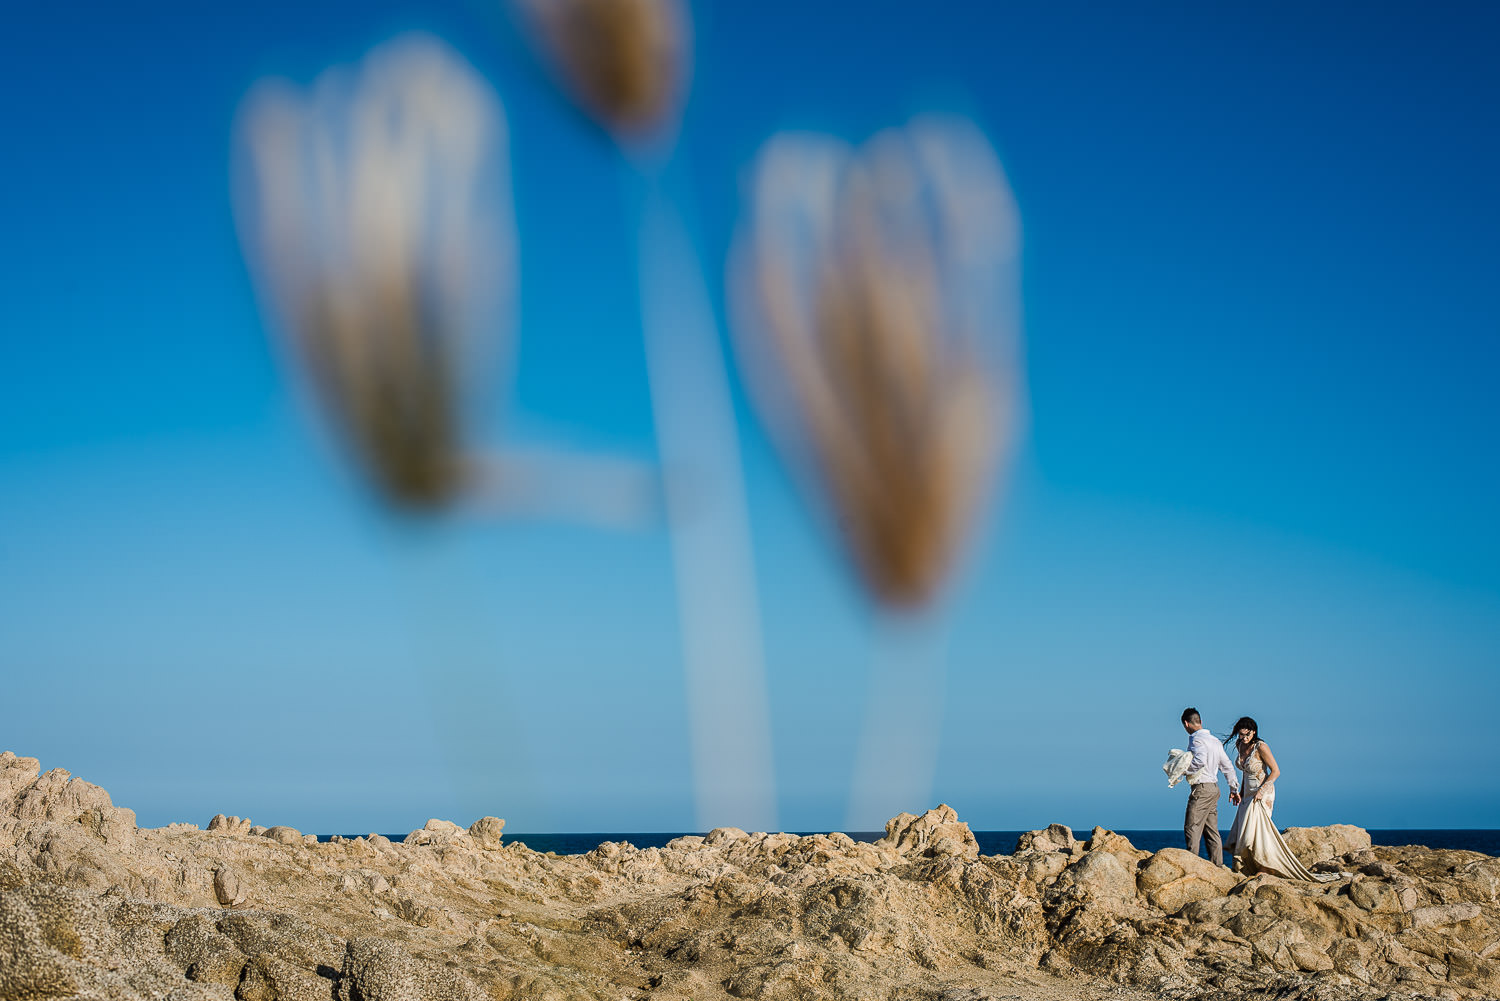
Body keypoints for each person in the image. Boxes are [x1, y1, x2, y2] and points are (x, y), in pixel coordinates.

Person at [1222, 716, 1338, 881]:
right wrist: (1240, 791)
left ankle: (1265, 868)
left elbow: (1276, 771)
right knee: (1246, 832)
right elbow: (1245, 773)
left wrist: (1262, 791)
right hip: (1248, 793)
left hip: (1263, 792)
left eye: (1247, 734)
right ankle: (1253, 866)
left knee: (1257, 832)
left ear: (1254, 732)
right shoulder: (1239, 745)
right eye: (1241, 735)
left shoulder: (1261, 747)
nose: (1244, 738)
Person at [1180, 707, 1239, 866]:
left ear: (1186, 723)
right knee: (1211, 831)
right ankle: (1217, 866)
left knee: (1192, 827)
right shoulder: (1215, 741)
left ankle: (1192, 865)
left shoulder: (1195, 739)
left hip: (1202, 788)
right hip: (1214, 788)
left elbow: (1200, 761)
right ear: (1200, 721)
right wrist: (1234, 788)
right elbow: (1227, 766)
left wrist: (1183, 770)